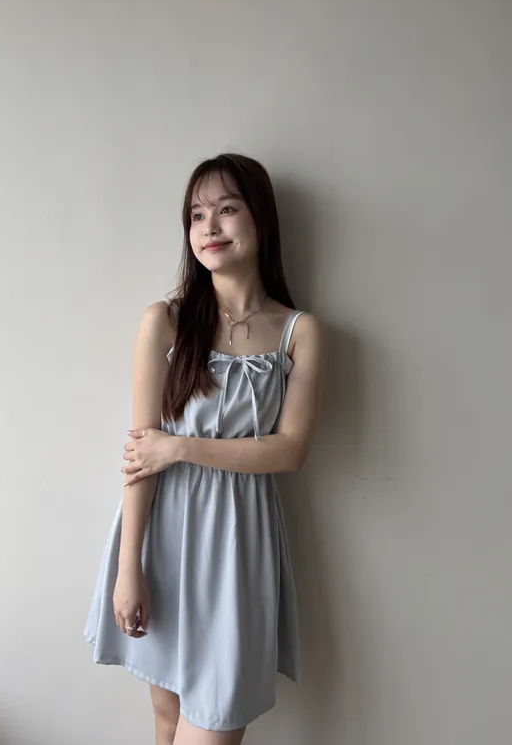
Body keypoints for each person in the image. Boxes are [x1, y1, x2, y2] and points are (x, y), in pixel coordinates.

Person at [84, 153, 324, 745]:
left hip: (239, 547)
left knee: (212, 723)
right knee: (166, 721)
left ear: (260, 219)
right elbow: (141, 458)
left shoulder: (299, 331)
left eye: (227, 209)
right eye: (196, 215)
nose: (209, 227)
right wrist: (129, 569)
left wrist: (179, 448)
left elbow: (290, 451)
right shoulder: (165, 321)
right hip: (162, 539)